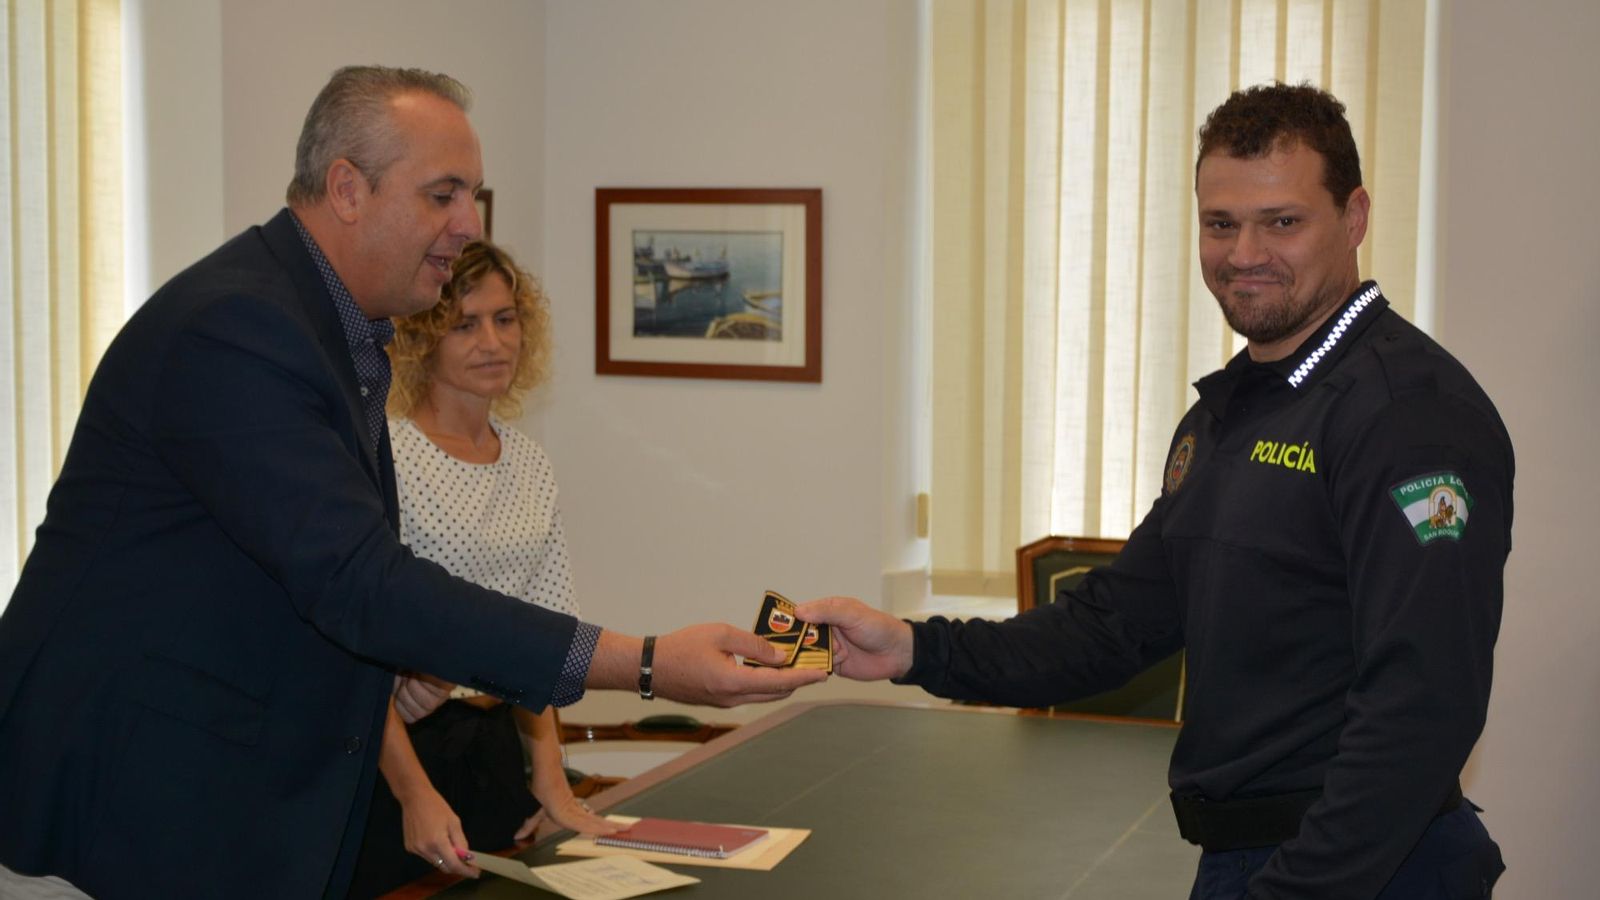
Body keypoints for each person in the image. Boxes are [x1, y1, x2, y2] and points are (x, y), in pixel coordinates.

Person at [0, 65, 821, 900]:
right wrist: (643, 663)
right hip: (119, 810)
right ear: (347, 190)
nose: (470, 224)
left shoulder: (334, 331)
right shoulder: (238, 326)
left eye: (473, 195)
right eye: (443, 195)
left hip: (219, 801)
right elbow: (360, 582)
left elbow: (294, 580)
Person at [798, 83, 1513, 899]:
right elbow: (1109, 627)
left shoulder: (1408, 416)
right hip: (1249, 855)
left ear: (1353, 218)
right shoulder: (1231, 411)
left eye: (1282, 222)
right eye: (1220, 224)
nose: (1244, 253)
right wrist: (913, 649)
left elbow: (1421, 709)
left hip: (1364, 870)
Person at [345, 240, 620, 898]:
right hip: (396, 753)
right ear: (423, 338)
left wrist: (550, 779)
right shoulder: (386, 457)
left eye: (505, 319)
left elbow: (541, 637)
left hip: (496, 745)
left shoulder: (530, 462)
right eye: (465, 324)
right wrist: (413, 792)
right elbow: (354, 649)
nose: (492, 342)